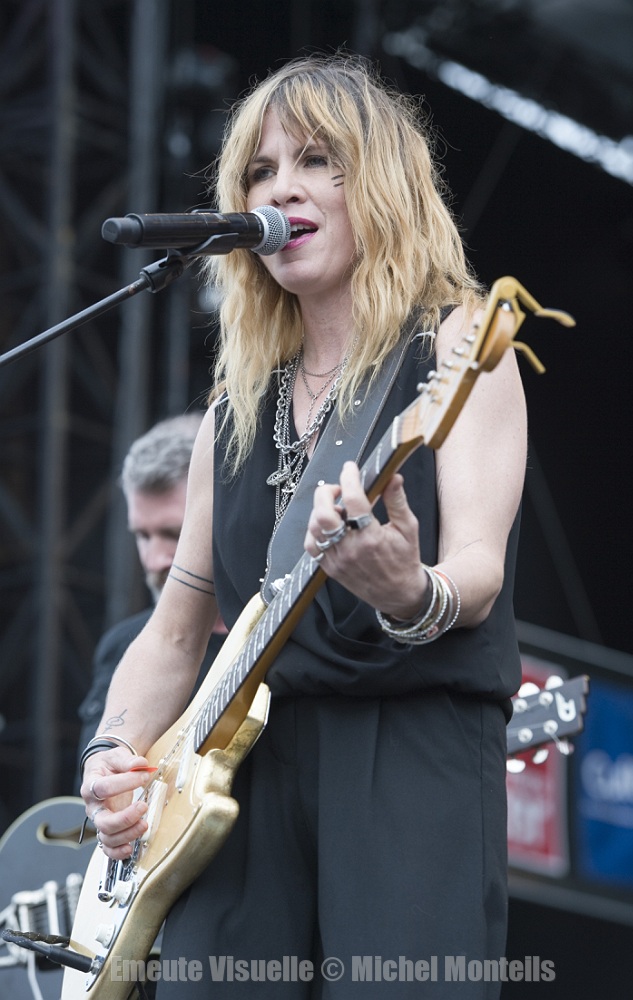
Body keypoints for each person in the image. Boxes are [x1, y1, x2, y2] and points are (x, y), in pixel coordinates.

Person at [81, 53, 527, 998]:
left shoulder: (457, 344)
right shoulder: (232, 412)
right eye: (258, 171)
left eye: (318, 160)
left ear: (384, 185)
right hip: (242, 766)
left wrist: (409, 592)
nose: (280, 189)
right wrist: (112, 751)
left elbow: (477, 569)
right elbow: (175, 629)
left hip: (408, 749)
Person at [77, 414, 227, 757]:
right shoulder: (123, 645)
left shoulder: (288, 630)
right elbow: (95, 784)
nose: (155, 559)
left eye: (174, 533)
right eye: (143, 535)